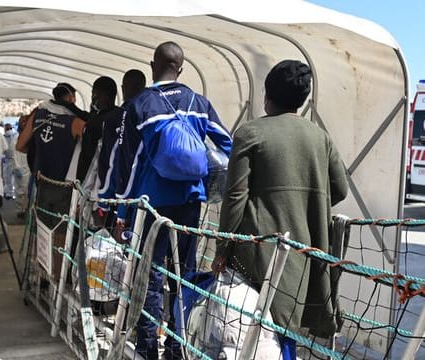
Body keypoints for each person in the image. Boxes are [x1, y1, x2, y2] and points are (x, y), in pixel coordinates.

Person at [212, 60, 349, 352]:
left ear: (266, 95)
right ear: (303, 100)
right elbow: (339, 189)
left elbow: (235, 198)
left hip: (254, 258)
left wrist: (222, 250)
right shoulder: (320, 138)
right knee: (286, 336)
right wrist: (302, 204)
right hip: (303, 255)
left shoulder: (250, 133)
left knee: (254, 339)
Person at [116, 42, 233, 359]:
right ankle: (177, 345)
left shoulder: (140, 104)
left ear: (153, 65)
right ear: (181, 68)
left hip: (152, 204)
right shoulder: (199, 102)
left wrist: (120, 211)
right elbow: (228, 145)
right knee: (184, 273)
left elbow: (127, 163)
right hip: (190, 202)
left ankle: (147, 346)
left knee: (150, 273)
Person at [16, 82, 85, 278]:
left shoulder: (38, 115)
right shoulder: (76, 122)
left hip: (42, 183)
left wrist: (42, 151)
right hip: (65, 186)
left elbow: (20, 146)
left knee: (43, 231)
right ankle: (57, 279)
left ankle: (41, 276)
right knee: (62, 234)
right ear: (71, 98)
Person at [95, 70, 146, 226]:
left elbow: (110, 162)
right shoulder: (149, 114)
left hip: (120, 199)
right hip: (146, 197)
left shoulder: (114, 118)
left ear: (123, 88)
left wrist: (103, 202)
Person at [76, 76, 120, 183]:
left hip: (94, 180)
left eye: (93, 93)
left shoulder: (97, 122)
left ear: (102, 95)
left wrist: (79, 179)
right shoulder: (120, 115)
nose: (92, 97)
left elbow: (87, 154)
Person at [11, 115, 31, 218]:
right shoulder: (15, 137)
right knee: (20, 191)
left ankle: (28, 209)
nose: (23, 123)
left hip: (29, 167)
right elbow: (13, 154)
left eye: (25, 121)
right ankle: (20, 210)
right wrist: (16, 167)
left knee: (29, 192)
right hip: (20, 168)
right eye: (22, 121)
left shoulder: (31, 136)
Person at [2, 123, 17, 199]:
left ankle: (9, 193)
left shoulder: (4, 136)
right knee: (16, 178)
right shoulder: (17, 134)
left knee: (8, 177)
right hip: (17, 159)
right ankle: (15, 193)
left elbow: (3, 149)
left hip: (8, 159)